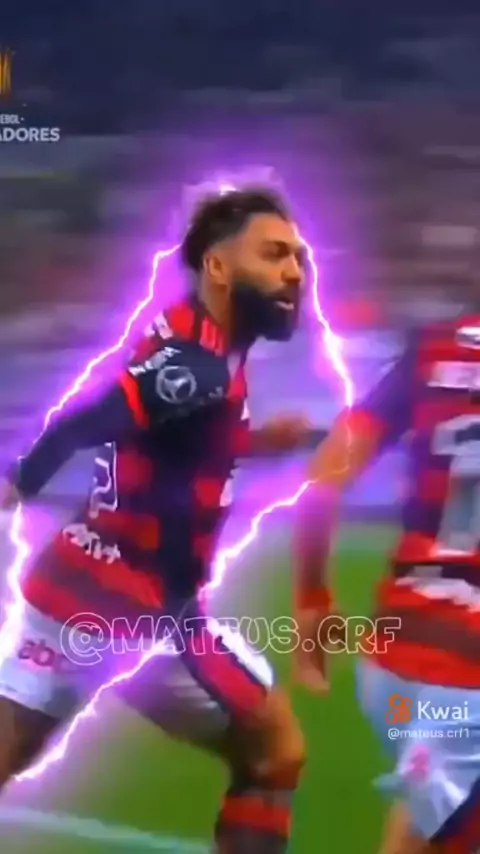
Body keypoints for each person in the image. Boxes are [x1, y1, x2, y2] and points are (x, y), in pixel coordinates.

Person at [0, 187, 316, 854]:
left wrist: (255, 442)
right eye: (273, 255)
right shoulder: (199, 367)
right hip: (138, 611)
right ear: (219, 268)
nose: (294, 272)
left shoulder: (191, 339)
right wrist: (17, 481)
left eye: (297, 257)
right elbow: (90, 420)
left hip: (68, 586)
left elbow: (165, 436)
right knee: (277, 752)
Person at [294, 320, 480, 854]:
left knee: (426, 806)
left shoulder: (432, 351)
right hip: (466, 689)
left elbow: (320, 484)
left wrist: (312, 601)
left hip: (391, 683)